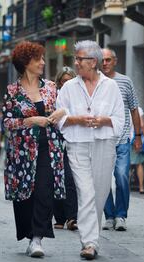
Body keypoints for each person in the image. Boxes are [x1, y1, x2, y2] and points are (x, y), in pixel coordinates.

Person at [56, 40, 125, 260]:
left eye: (80, 59)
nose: (76, 63)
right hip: (77, 144)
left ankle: (91, 237)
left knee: (100, 192)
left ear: (93, 62)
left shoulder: (111, 86)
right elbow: (58, 119)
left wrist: (104, 120)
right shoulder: (68, 87)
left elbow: (120, 120)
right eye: (75, 58)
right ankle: (89, 242)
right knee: (85, 192)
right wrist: (76, 119)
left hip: (104, 144)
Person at [3, 41, 66, 258]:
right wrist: (31, 121)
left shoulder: (50, 87)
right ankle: (30, 236)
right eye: (37, 59)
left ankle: (38, 238)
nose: (42, 63)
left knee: (44, 191)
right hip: (22, 154)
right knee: (25, 195)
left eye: (42, 58)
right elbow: (7, 123)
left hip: (49, 149)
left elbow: (65, 110)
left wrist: (60, 113)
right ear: (25, 62)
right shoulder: (13, 91)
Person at [100, 48, 141, 231]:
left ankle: (121, 215)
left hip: (123, 138)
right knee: (103, 180)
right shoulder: (94, 82)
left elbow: (134, 109)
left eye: (108, 60)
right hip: (101, 139)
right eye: (102, 60)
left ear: (115, 61)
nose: (105, 63)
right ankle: (109, 215)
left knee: (122, 176)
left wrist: (138, 135)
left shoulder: (125, 81)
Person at [53, 66, 78, 231]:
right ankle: (59, 217)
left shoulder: (78, 98)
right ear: (59, 83)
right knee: (55, 180)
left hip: (73, 142)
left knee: (70, 179)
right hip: (54, 142)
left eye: (69, 81)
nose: (66, 84)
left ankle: (72, 217)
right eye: (63, 81)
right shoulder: (52, 97)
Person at [130, 107, 144, 194]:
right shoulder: (139, 109)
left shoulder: (122, 107)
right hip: (136, 139)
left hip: (126, 139)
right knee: (139, 164)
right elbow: (142, 125)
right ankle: (141, 187)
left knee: (127, 164)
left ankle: (126, 186)